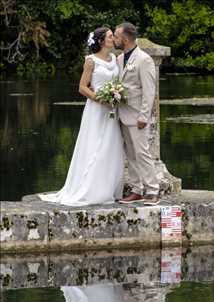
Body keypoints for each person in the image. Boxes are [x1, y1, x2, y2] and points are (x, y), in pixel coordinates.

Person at [38, 27, 124, 206]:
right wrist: (101, 99)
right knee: (93, 147)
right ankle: (90, 189)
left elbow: (117, 82)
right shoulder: (91, 61)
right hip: (96, 109)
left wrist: (116, 95)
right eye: (109, 36)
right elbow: (82, 87)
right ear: (101, 41)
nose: (113, 38)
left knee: (111, 147)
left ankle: (108, 189)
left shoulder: (115, 59)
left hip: (112, 110)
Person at [114, 22, 160, 206]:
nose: (115, 39)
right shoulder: (119, 59)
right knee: (130, 155)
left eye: (116, 36)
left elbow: (149, 92)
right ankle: (136, 190)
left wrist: (143, 116)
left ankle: (153, 190)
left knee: (142, 153)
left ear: (124, 38)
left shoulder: (144, 59)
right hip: (122, 114)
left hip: (137, 117)